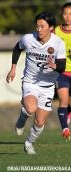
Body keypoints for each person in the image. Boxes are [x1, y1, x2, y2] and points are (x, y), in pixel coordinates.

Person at [6, 11, 66, 154]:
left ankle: (29, 143)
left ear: (51, 27)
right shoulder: (28, 39)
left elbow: (62, 66)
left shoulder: (58, 43)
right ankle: (22, 117)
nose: (38, 29)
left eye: (42, 26)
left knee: (40, 122)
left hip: (47, 86)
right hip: (30, 82)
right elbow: (17, 48)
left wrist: (55, 66)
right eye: (37, 26)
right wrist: (13, 69)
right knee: (31, 109)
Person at [55, 2, 71, 140]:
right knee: (63, 100)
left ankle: (69, 114)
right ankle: (65, 129)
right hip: (62, 73)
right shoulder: (55, 31)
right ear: (62, 14)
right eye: (66, 13)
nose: (68, 17)